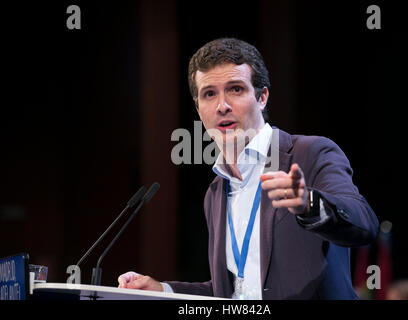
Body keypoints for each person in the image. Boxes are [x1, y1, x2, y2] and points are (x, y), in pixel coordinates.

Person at [118, 38, 379, 299]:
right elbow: (235, 290)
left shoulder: (310, 153)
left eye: (236, 89)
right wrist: (163, 289)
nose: (222, 106)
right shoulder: (216, 192)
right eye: (209, 94)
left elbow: (364, 223)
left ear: (262, 97)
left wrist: (309, 204)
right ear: (199, 109)